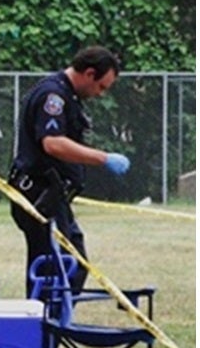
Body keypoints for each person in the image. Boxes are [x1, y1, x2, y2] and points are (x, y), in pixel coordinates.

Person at [7, 46, 129, 297]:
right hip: (38, 196)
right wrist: (103, 158)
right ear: (89, 73)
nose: (100, 94)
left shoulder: (67, 97)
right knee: (58, 270)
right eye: (101, 87)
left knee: (68, 266)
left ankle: (50, 328)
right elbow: (52, 143)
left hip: (53, 197)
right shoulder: (54, 96)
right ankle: (43, 331)